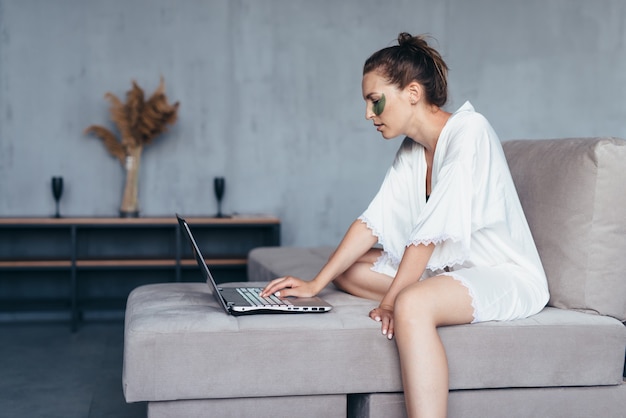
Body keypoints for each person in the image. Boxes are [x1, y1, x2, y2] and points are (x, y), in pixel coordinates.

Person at [261, 32, 549, 418]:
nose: (368, 113)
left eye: (373, 99)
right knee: (348, 272)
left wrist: (392, 300)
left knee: (411, 303)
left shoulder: (470, 131)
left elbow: (427, 236)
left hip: (503, 274)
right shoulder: (413, 149)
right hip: (452, 269)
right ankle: (417, 291)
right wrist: (315, 282)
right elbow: (374, 221)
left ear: (412, 92)